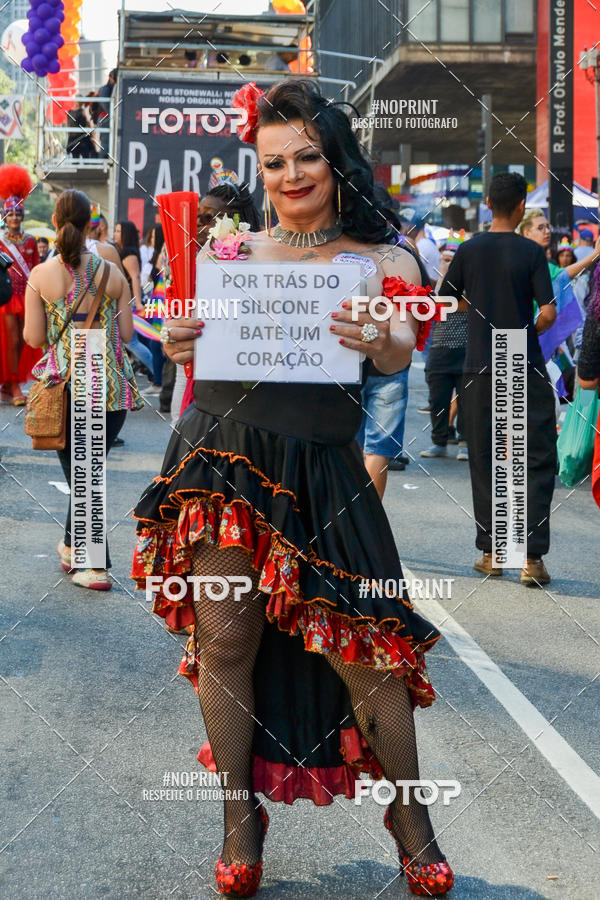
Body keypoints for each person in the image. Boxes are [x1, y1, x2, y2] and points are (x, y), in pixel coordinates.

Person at [131, 79, 454, 897]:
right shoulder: (228, 254)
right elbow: (192, 348)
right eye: (274, 162)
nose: (291, 174)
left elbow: (397, 351)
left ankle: (411, 820)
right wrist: (179, 339)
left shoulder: (383, 258)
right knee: (227, 645)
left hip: (326, 470)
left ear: (336, 158)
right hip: (223, 458)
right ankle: (241, 822)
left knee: (371, 655)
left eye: (308, 155)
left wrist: (381, 334)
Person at [440, 172, 558, 586]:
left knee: (487, 457)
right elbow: (548, 312)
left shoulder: (468, 250)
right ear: (522, 206)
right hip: (523, 360)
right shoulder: (530, 252)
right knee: (536, 456)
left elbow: (445, 302)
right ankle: (533, 559)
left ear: (488, 202)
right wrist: (528, 331)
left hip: (479, 366)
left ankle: (493, 552)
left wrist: (475, 312)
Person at [23, 189, 143, 589]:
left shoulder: (40, 276)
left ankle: (91, 564)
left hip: (68, 387)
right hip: (110, 386)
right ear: (93, 223)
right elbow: (127, 333)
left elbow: (35, 339)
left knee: (84, 476)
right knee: (88, 473)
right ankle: (72, 545)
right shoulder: (112, 272)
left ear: (56, 223)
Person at [421, 237, 469, 461]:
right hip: (439, 351)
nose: (447, 264)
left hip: (465, 351)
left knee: (466, 399)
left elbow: (453, 305)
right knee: (437, 400)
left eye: (452, 260)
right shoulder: (433, 284)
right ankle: (438, 441)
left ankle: (465, 442)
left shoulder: (469, 284)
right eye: (444, 260)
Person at [0, 164, 41, 406]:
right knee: (11, 341)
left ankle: (8, 384)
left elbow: (36, 270)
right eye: (10, 213)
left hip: (26, 297)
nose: (14, 217)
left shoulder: (32, 241)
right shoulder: (1, 242)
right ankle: (13, 384)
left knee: (26, 341)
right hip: (6, 299)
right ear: (5, 216)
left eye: (18, 213)